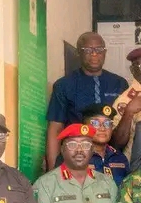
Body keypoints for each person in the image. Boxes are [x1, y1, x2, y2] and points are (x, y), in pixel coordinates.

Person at [46, 32, 128, 170]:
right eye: (88, 50)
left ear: (105, 52)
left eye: (99, 49)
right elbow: (55, 129)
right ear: (78, 52)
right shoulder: (64, 85)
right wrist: (53, 170)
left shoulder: (119, 83)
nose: (94, 54)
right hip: (77, 156)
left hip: (112, 159)